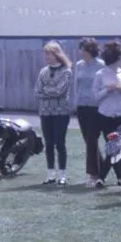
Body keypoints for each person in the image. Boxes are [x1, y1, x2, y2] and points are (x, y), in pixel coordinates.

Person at [35, 40, 72, 185]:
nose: (46, 57)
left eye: (48, 54)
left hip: (60, 113)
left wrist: (47, 91)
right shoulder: (43, 71)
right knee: (48, 144)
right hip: (45, 112)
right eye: (45, 54)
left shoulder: (66, 71)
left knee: (59, 143)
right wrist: (51, 91)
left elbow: (60, 91)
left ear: (56, 55)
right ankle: (50, 174)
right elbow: (37, 91)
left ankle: (62, 174)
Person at [93, 39, 121, 187]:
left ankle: (118, 176)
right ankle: (105, 176)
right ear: (115, 58)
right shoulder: (100, 74)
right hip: (106, 114)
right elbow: (95, 96)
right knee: (111, 146)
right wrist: (108, 89)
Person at [74, 38, 105, 188]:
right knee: (88, 140)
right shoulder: (79, 65)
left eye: (83, 49)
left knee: (92, 139)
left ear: (90, 51)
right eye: (80, 49)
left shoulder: (101, 65)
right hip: (82, 106)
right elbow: (77, 84)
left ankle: (93, 175)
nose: (81, 52)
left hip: (96, 107)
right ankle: (100, 170)